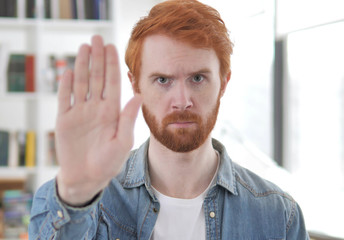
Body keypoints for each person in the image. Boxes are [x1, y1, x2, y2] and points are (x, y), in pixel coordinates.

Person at [29, 0, 309, 239]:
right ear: (136, 84)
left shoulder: (278, 215)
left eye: (198, 78)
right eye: (163, 80)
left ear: (223, 83)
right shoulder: (75, 200)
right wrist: (76, 194)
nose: (182, 100)